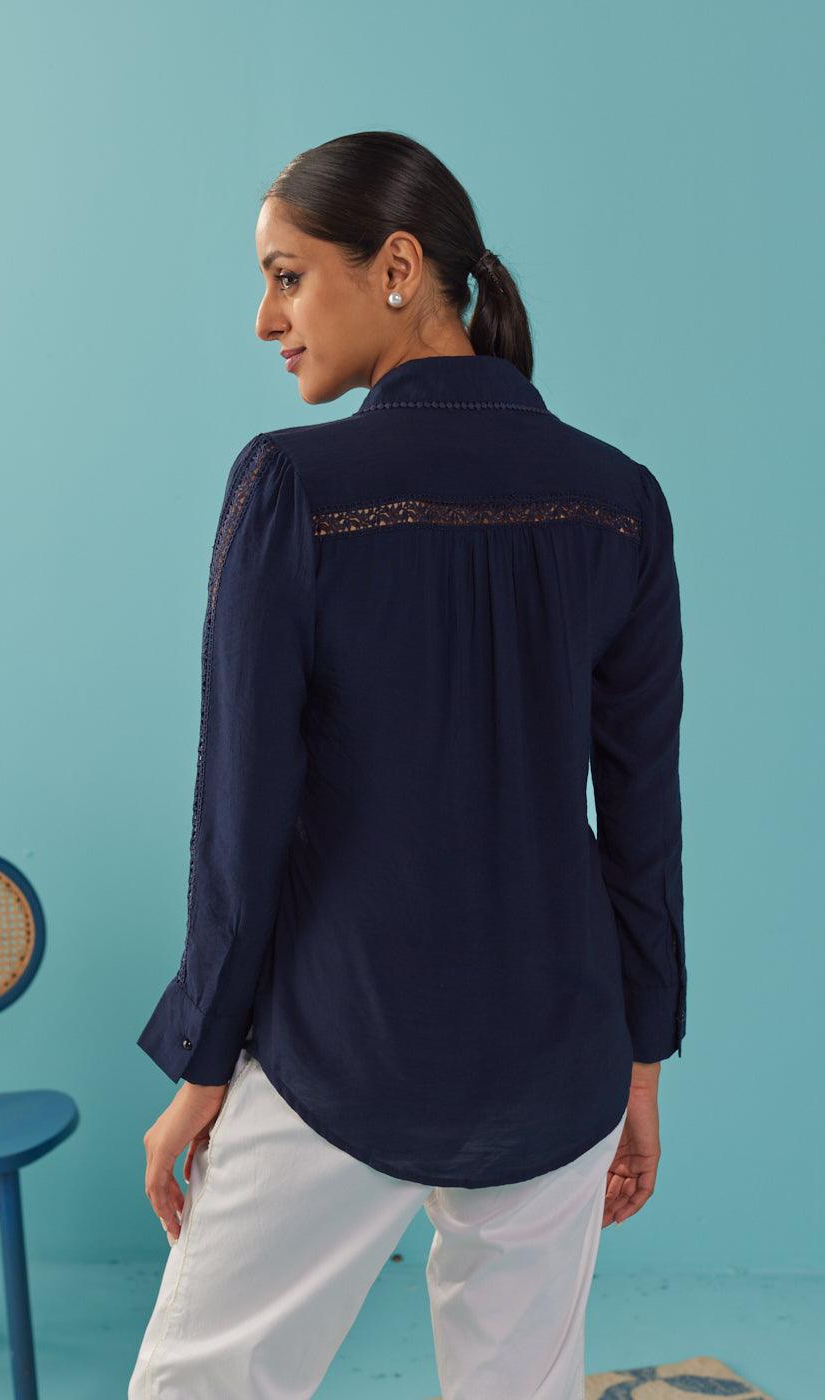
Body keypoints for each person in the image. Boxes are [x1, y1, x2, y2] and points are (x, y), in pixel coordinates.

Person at [128, 130, 686, 1399]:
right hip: (558, 1052)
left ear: (394, 267)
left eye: (285, 276)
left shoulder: (293, 487)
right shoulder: (621, 500)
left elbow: (242, 815)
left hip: (343, 1040)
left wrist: (203, 1063)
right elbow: (642, 813)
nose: (264, 318)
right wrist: (641, 1056)